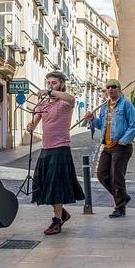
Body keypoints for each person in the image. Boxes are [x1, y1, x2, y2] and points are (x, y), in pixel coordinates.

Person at [26, 71, 85, 235]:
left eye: (54, 83)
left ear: (61, 84)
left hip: (61, 148)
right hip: (46, 148)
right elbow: (34, 121)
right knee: (44, 185)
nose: (50, 85)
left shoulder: (65, 103)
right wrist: (30, 127)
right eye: (48, 83)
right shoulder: (43, 105)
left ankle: (57, 220)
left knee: (56, 186)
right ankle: (62, 213)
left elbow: (71, 99)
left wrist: (50, 92)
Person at [84, 79, 135, 218]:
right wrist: (91, 119)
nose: (110, 89)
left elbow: (134, 125)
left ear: (119, 89)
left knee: (117, 177)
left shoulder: (125, 104)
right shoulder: (104, 106)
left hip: (121, 147)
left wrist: (122, 141)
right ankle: (123, 197)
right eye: (108, 87)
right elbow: (100, 124)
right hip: (107, 146)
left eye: (113, 87)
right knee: (102, 175)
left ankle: (120, 208)